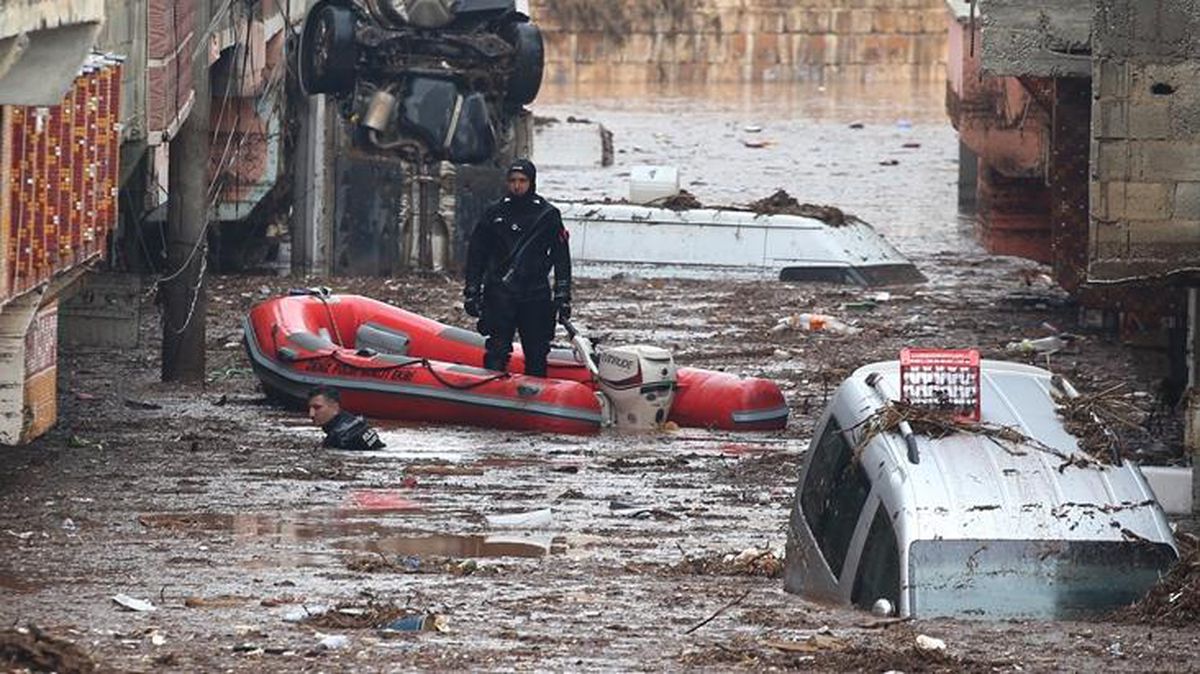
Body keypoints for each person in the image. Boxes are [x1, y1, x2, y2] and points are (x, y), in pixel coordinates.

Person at [463, 158, 571, 377]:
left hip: (535, 294)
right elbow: (477, 255)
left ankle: (537, 402)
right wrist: (472, 291)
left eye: (522, 180)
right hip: (500, 293)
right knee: (496, 351)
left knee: (537, 352)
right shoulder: (493, 213)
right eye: (512, 180)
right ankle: (490, 399)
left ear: (532, 182)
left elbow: (561, 258)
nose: (517, 185)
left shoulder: (547, 215)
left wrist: (562, 294)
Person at [306, 386, 385, 451]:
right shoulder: (354, 421)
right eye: (310, 408)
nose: (311, 414)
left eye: (317, 408)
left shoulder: (338, 438)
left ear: (335, 406)